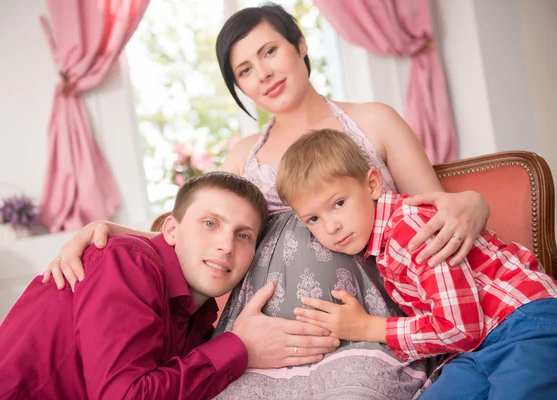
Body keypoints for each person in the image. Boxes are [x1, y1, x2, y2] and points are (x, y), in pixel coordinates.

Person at [42, 4, 491, 398]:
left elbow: (433, 211)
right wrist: (104, 230)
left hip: (362, 324)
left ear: (299, 44)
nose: (264, 74)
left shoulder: (374, 120)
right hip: (262, 335)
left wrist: (475, 202)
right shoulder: (244, 155)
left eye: (270, 52)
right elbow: (198, 237)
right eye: (245, 71)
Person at [0, 172, 339, 400]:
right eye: (210, 223)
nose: (225, 244)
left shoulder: (197, 314)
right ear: (171, 230)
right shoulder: (127, 261)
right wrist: (241, 347)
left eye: (243, 235)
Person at [277, 129, 557, 399]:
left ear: (372, 184)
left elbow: (460, 327)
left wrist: (368, 328)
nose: (331, 226)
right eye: (313, 219)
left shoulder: (409, 229)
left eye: (339, 203)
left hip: (522, 321)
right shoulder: (382, 247)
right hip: (472, 348)